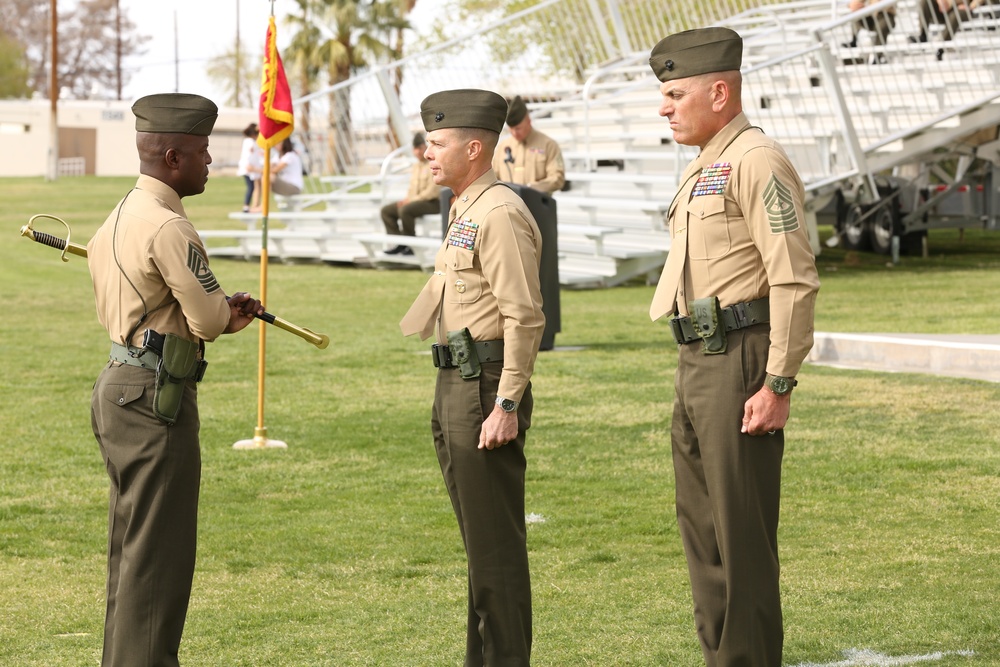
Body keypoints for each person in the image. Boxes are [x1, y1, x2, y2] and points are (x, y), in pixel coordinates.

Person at [646, 28, 820, 667]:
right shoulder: (704, 165)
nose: (664, 107)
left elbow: (793, 277)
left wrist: (777, 382)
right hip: (697, 359)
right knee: (703, 533)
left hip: (742, 359)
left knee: (739, 538)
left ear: (720, 92)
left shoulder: (757, 160)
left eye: (674, 93)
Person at [87, 93, 264, 667]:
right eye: (203, 151)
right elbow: (209, 320)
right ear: (172, 157)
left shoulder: (116, 216)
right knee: (158, 563)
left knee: (131, 558)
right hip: (154, 400)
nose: (210, 161)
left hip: (118, 383)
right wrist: (224, 313)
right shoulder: (169, 226)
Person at [399, 89, 545, 667]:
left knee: (496, 551)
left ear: (475, 147)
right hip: (455, 383)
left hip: (485, 385)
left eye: (437, 143)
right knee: (480, 548)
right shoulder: (465, 207)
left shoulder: (500, 213)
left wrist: (506, 401)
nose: (427, 154)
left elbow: (524, 316)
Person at [380, 132, 442, 255]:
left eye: (420, 148)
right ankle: (400, 243)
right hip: (415, 201)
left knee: (405, 210)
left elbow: (432, 192)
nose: (417, 152)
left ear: (425, 147)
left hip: (432, 203)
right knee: (386, 211)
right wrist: (406, 199)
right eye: (415, 149)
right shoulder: (415, 166)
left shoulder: (434, 163)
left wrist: (410, 201)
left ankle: (412, 246)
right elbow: (412, 189)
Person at [491, 95, 565, 195]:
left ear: (528, 121)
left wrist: (531, 189)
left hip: (536, 205)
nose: (514, 133)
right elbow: (493, 177)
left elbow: (557, 178)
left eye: (518, 128)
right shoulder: (503, 147)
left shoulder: (548, 145)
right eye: (511, 129)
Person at [909, 0, 976, 60]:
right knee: (926, 1)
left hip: (963, 8)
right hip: (944, 8)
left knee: (957, 15)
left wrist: (970, 6)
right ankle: (923, 36)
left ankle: (941, 49)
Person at [236, 122, 262, 212]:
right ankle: (246, 206)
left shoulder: (250, 142)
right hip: (248, 168)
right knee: (251, 187)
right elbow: (250, 154)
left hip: (250, 168)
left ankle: (254, 205)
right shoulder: (250, 142)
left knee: (254, 186)